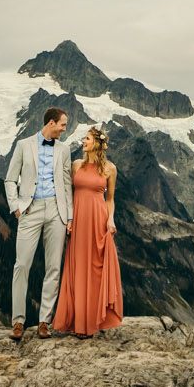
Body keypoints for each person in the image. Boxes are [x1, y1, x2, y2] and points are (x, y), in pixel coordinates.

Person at [4, 106, 72, 340]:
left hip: (56, 210)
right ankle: (18, 322)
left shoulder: (64, 149)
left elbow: (66, 184)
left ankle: (45, 321)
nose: (64, 129)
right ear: (51, 123)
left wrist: (69, 216)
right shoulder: (24, 145)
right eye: (62, 124)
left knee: (53, 267)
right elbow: (10, 179)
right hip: (29, 210)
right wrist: (15, 207)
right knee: (21, 265)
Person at [51, 124, 123, 338]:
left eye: (87, 139)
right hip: (79, 221)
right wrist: (68, 218)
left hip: (98, 221)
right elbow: (69, 194)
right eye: (84, 138)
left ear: (98, 144)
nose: (83, 141)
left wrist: (110, 220)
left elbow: (110, 200)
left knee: (95, 270)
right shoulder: (76, 165)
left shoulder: (110, 168)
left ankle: (91, 321)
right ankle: (76, 321)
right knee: (78, 268)